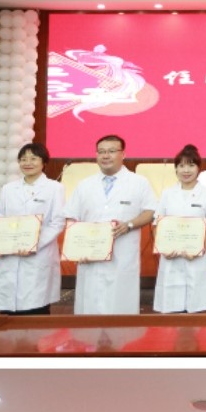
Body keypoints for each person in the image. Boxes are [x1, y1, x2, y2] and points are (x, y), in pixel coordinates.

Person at [62, 134, 157, 314]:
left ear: (123, 154)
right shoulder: (84, 185)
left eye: (111, 151)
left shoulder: (139, 182)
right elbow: (71, 217)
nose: (105, 156)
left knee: (120, 309)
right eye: (101, 152)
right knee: (89, 311)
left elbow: (151, 211)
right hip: (89, 257)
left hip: (123, 256)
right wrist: (76, 249)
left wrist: (129, 224)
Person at [0, 142, 65, 315]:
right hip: (9, 255)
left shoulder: (55, 188)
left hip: (38, 256)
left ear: (44, 162)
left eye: (33, 158)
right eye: (23, 159)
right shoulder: (8, 189)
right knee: (7, 312)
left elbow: (57, 222)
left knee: (36, 309)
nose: (27, 163)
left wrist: (34, 245)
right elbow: (0, 219)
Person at [152, 144, 206, 314]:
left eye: (191, 165)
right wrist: (163, 248)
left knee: (195, 310)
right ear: (176, 169)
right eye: (181, 166)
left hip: (195, 257)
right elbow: (157, 224)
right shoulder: (167, 194)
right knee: (170, 310)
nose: (186, 170)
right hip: (170, 257)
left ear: (198, 168)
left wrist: (200, 249)